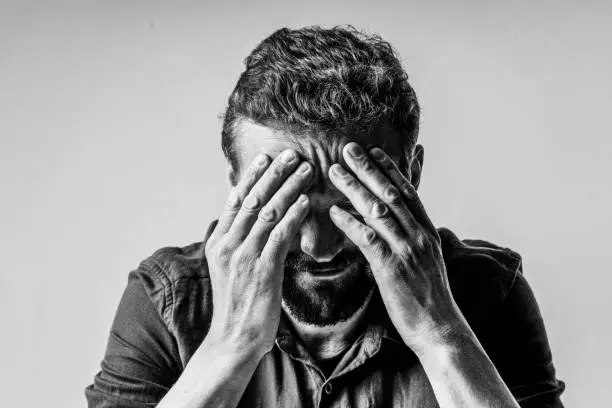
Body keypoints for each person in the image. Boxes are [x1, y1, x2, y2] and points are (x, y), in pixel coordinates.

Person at [85, 26, 565, 408]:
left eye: (349, 202)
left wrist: (439, 335)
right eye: (288, 201)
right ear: (238, 183)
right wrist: (232, 345)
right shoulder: (166, 302)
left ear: (411, 174)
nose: (319, 246)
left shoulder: (488, 292)